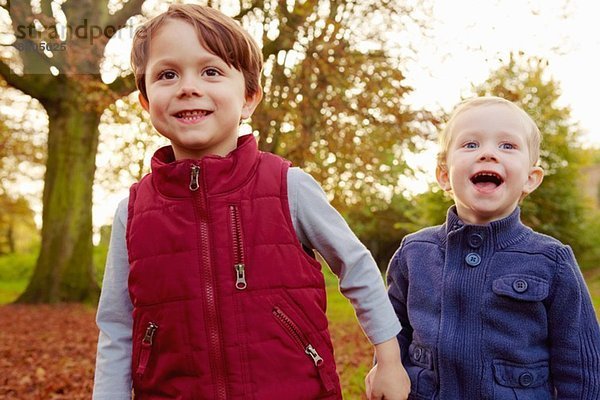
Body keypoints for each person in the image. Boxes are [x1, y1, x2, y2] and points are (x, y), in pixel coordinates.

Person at [92, 4, 409, 400]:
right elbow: (117, 326)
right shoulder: (134, 210)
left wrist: (389, 359)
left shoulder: (288, 186)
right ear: (145, 100)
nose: (188, 86)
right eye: (167, 74)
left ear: (249, 98)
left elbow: (357, 266)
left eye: (211, 71)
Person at [383, 96, 600, 398]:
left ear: (530, 178)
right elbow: (392, 330)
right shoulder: (414, 252)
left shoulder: (552, 261)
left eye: (507, 146)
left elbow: (581, 363)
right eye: (470, 145)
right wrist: (385, 366)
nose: (487, 154)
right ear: (444, 175)